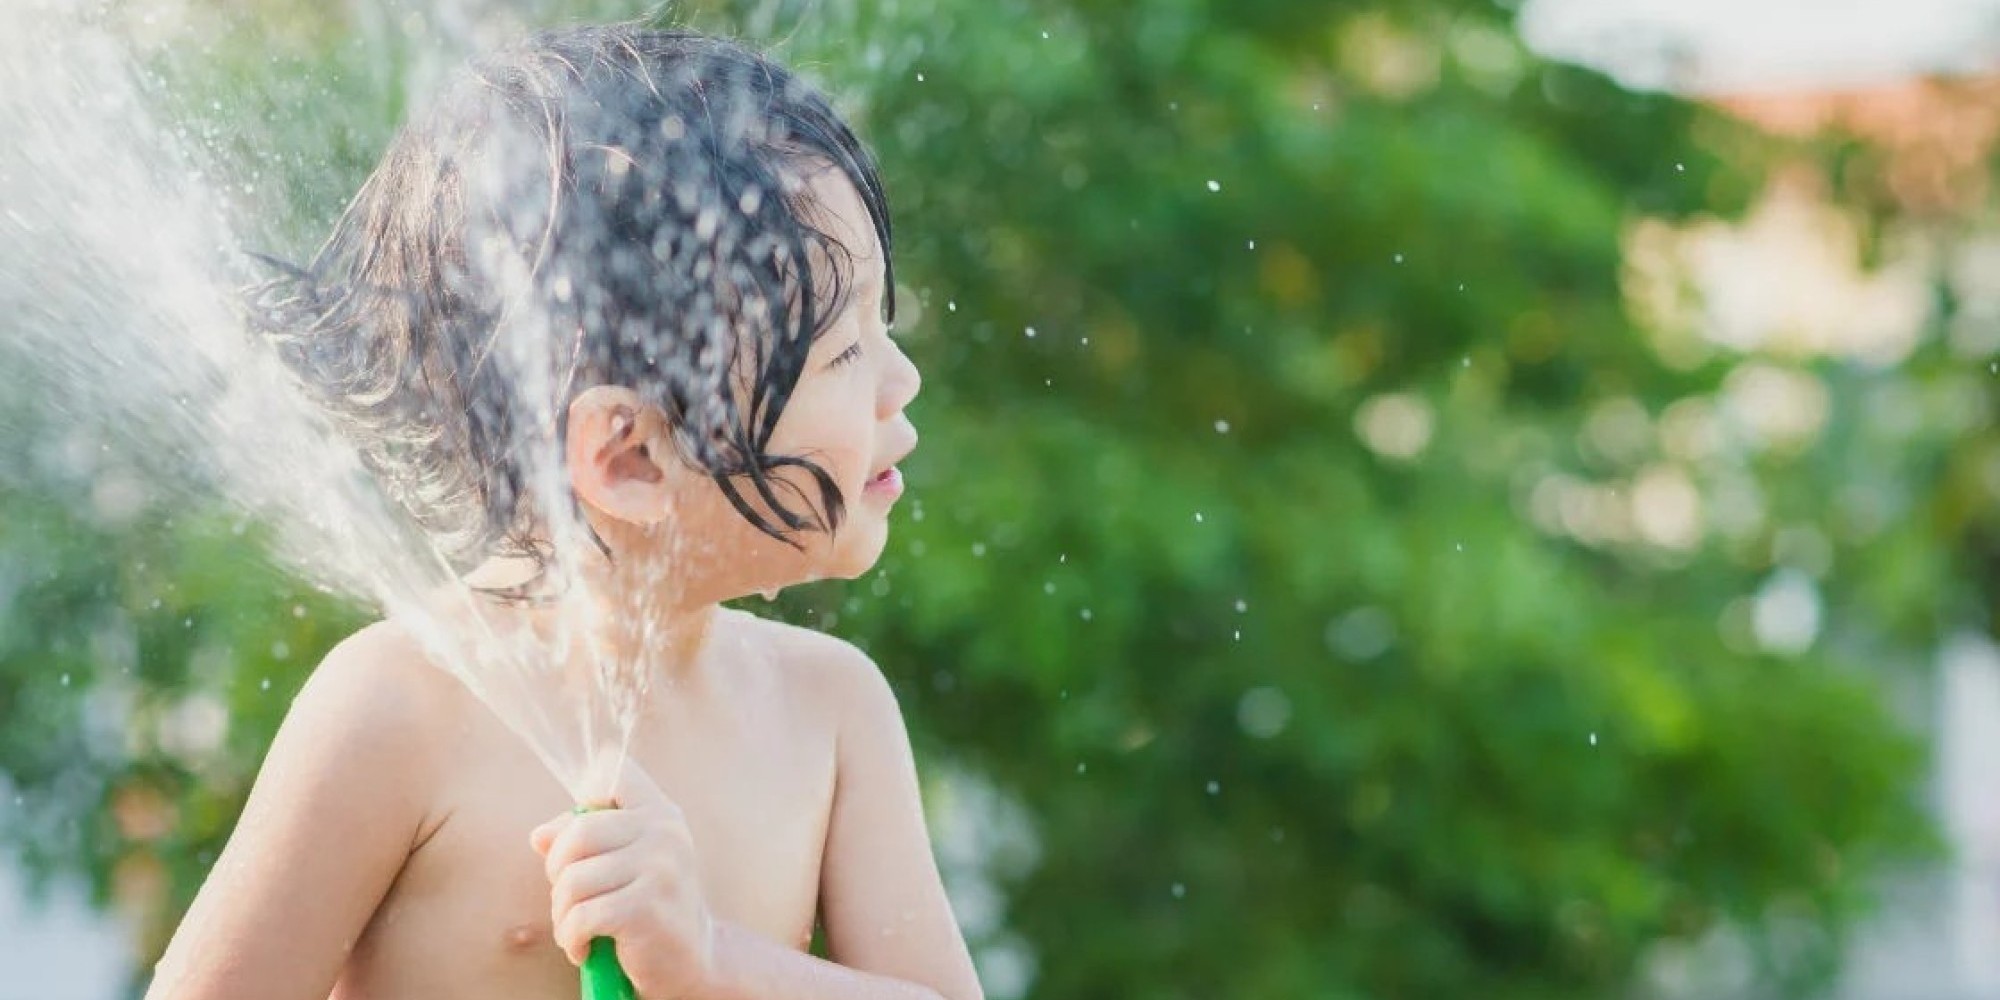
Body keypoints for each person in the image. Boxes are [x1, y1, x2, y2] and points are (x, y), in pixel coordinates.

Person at [147, 23, 983, 1000]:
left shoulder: (831, 710)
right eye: (843, 352)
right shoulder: (399, 709)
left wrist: (711, 963)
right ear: (629, 457)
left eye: (884, 325)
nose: (902, 378)